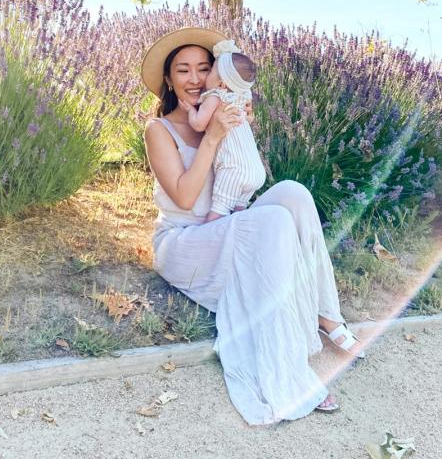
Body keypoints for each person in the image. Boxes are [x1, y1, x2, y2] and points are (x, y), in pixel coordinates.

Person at [141, 26, 366, 426]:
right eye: (183, 71)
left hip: (224, 226)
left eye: (203, 68)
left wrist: (237, 128)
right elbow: (186, 199)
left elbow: (238, 177)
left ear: (219, 74)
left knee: (293, 193)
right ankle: (288, 374)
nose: (194, 79)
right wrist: (211, 137)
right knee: (273, 219)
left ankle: (326, 315)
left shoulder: (222, 109)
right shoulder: (159, 130)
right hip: (184, 243)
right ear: (169, 80)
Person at [179, 39, 266, 222]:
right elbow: (247, 119)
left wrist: (190, 111)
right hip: (257, 172)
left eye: (209, 70)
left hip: (234, 170)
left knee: (219, 212)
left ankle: (207, 237)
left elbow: (199, 125)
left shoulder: (215, 97)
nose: (205, 77)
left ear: (221, 85)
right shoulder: (242, 97)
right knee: (239, 211)